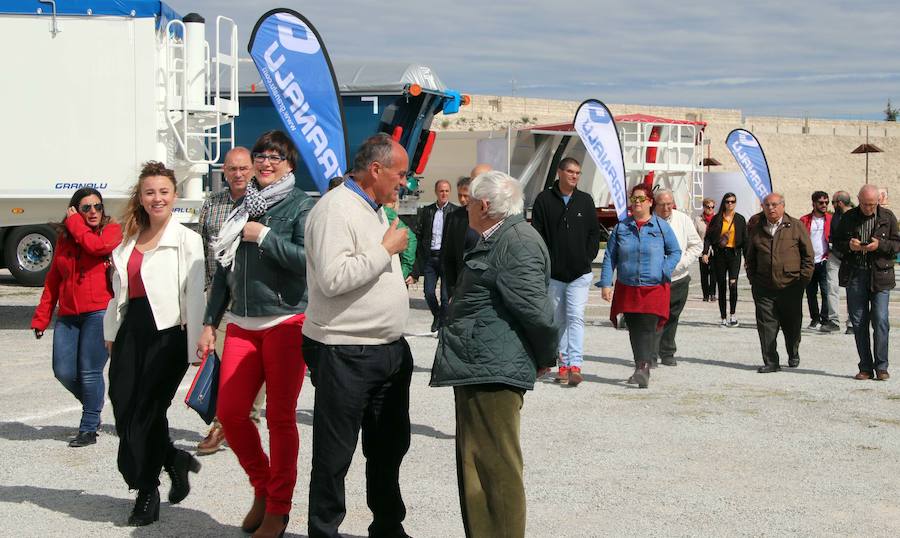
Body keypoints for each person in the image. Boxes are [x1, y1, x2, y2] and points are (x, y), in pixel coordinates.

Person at [196, 131, 315, 537]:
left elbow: (307, 262)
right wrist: (211, 322)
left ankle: (279, 509)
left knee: (281, 419)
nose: (266, 163)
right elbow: (225, 275)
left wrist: (264, 236)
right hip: (242, 325)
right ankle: (264, 488)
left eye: (275, 157)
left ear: (290, 165)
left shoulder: (301, 205)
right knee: (230, 414)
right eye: (262, 155)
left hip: (285, 322)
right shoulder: (241, 207)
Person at [431, 170, 558, 538]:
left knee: (496, 470)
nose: (466, 204)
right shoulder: (498, 236)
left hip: (494, 370)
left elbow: (538, 313)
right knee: (477, 469)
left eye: (470, 200)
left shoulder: (516, 241)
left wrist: (544, 357)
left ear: (484, 205)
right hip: (480, 365)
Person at [303, 133, 414, 538]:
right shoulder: (335, 209)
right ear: (375, 170)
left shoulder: (374, 208)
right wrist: (385, 250)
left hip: (387, 351)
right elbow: (333, 279)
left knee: (388, 448)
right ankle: (324, 531)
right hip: (345, 351)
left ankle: (387, 526)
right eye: (400, 174)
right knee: (335, 455)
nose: (404, 182)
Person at [103, 161, 205, 526]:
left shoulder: (186, 239)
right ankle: (173, 459)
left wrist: (196, 346)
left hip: (170, 334)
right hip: (132, 328)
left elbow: (195, 294)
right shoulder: (129, 238)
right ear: (141, 198)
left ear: (174, 195)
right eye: (150, 192)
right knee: (123, 405)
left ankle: (146, 490)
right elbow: (119, 293)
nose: (157, 198)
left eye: (164, 191)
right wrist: (111, 332)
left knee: (146, 411)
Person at [31, 188, 122, 447]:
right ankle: (93, 406)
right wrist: (41, 317)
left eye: (97, 207)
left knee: (90, 372)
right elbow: (53, 280)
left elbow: (96, 247)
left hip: (99, 312)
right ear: (75, 210)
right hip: (69, 316)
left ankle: (88, 427)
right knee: (63, 371)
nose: (93, 212)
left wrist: (74, 223)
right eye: (86, 208)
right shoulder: (65, 239)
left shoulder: (110, 231)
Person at [195, 147, 266, 456]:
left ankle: (242, 419)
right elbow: (202, 247)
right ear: (223, 171)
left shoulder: (262, 203)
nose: (238, 174)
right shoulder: (211, 204)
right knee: (225, 361)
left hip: (251, 294)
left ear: (251, 169)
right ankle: (229, 420)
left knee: (254, 361)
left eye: (243, 168)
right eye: (232, 169)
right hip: (219, 293)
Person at [598, 184, 681, 388]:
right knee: (634, 327)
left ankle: (643, 367)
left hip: (654, 287)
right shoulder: (621, 227)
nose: (636, 203)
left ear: (650, 202)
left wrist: (665, 269)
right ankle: (641, 367)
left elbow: (675, 251)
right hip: (628, 286)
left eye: (641, 199)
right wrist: (606, 283)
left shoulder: (661, 227)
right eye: (633, 199)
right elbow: (610, 256)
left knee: (646, 326)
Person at [531, 157, 600, 386]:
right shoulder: (544, 200)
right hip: (554, 275)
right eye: (570, 171)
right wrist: (546, 263)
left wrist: (586, 257)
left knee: (576, 317)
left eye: (578, 173)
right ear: (560, 172)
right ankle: (562, 365)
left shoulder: (585, 200)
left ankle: (575, 365)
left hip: (580, 274)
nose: (574, 176)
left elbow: (594, 234)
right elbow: (537, 235)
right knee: (558, 320)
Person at [833, 185, 900, 381]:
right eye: (864, 204)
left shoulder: (887, 217)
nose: (868, 208)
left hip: (880, 275)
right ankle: (865, 367)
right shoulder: (849, 217)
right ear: (858, 200)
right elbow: (836, 243)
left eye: (872, 204)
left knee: (880, 320)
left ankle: (881, 367)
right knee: (859, 322)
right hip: (855, 275)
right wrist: (850, 246)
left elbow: (897, 244)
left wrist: (880, 246)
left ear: (878, 201)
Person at [745, 193, 814, 373]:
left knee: (792, 325)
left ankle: (793, 351)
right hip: (764, 287)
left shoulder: (796, 226)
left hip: (791, 286)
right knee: (766, 326)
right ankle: (771, 361)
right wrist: (754, 280)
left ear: (783, 206)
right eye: (767, 205)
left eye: (775, 205)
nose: (771, 208)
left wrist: (802, 281)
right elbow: (750, 257)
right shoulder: (756, 228)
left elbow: (808, 256)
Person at [329, 175, 418, 279]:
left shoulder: (382, 212)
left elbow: (410, 237)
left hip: (379, 276)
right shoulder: (331, 212)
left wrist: (404, 270)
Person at [651, 190, 703, 366]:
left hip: (679, 278)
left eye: (669, 204)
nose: (666, 208)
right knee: (654, 317)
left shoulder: (683, 219)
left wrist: (681, 263)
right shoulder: (648, 221)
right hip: (654, 280)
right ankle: (650, 354)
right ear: (654, 204)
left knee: (672, 316)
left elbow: (696, 245)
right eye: (662, 204)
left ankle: (667, 352)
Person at [410, 179, 457, 331]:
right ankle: (437, 315)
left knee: (445, 297)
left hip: (446, 258)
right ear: (436, 192)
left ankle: (442, 324)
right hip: (431, 258)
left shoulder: (455, 212)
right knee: (428, 292)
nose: (444, 194)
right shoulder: (427, 211)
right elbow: (419, 233)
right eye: (441, 191)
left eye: (446, 191)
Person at [702, 192, 746, 327]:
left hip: (734, 254)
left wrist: (748, 258)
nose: (730, 204)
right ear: (724, 203)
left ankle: (733, 315)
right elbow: (708, 237)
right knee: (721, 286)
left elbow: (745, 239)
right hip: (719, 254)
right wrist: (705, 252)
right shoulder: (717, 219)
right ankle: (723, 317)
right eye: (728, 201)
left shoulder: (740, 219)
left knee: (733, 284)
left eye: (733, 201)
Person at [441, 170, 483, 298]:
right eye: (460, 195)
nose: (462, 199)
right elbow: (448, 253)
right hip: (460, 280)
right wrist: (451, 289)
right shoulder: (454, 217)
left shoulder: (485, 216)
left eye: (466, 196)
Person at [800, 191, 836, 331]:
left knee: (826, 292)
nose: (824, 205)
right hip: (809, 262)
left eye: (826, 202)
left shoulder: (830, 219)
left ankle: (825, 319)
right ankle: (814, 318)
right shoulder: (804, 220)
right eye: (821, 202)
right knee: (810, 292)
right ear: (813, 203)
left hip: (825, 260)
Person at [826, 191, 854, 334]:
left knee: (852, 290)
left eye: (833, 202)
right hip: (835, 255)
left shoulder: (855, 216)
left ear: (840, 203)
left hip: (851, 257)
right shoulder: (836, 216)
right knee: (832, 287)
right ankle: (833, 321)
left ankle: (852, 323)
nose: (832, 205)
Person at [694, 198, 717, 302]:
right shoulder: (698, 219)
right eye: (708, 207)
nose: (710, 209)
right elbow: (694, 235)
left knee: (714, 273)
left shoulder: (717, 219)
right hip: (702, 250)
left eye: (712, 207)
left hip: (714, 250)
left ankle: (712, 294)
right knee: (704, 273)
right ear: (704, 207)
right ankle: (705, 294)